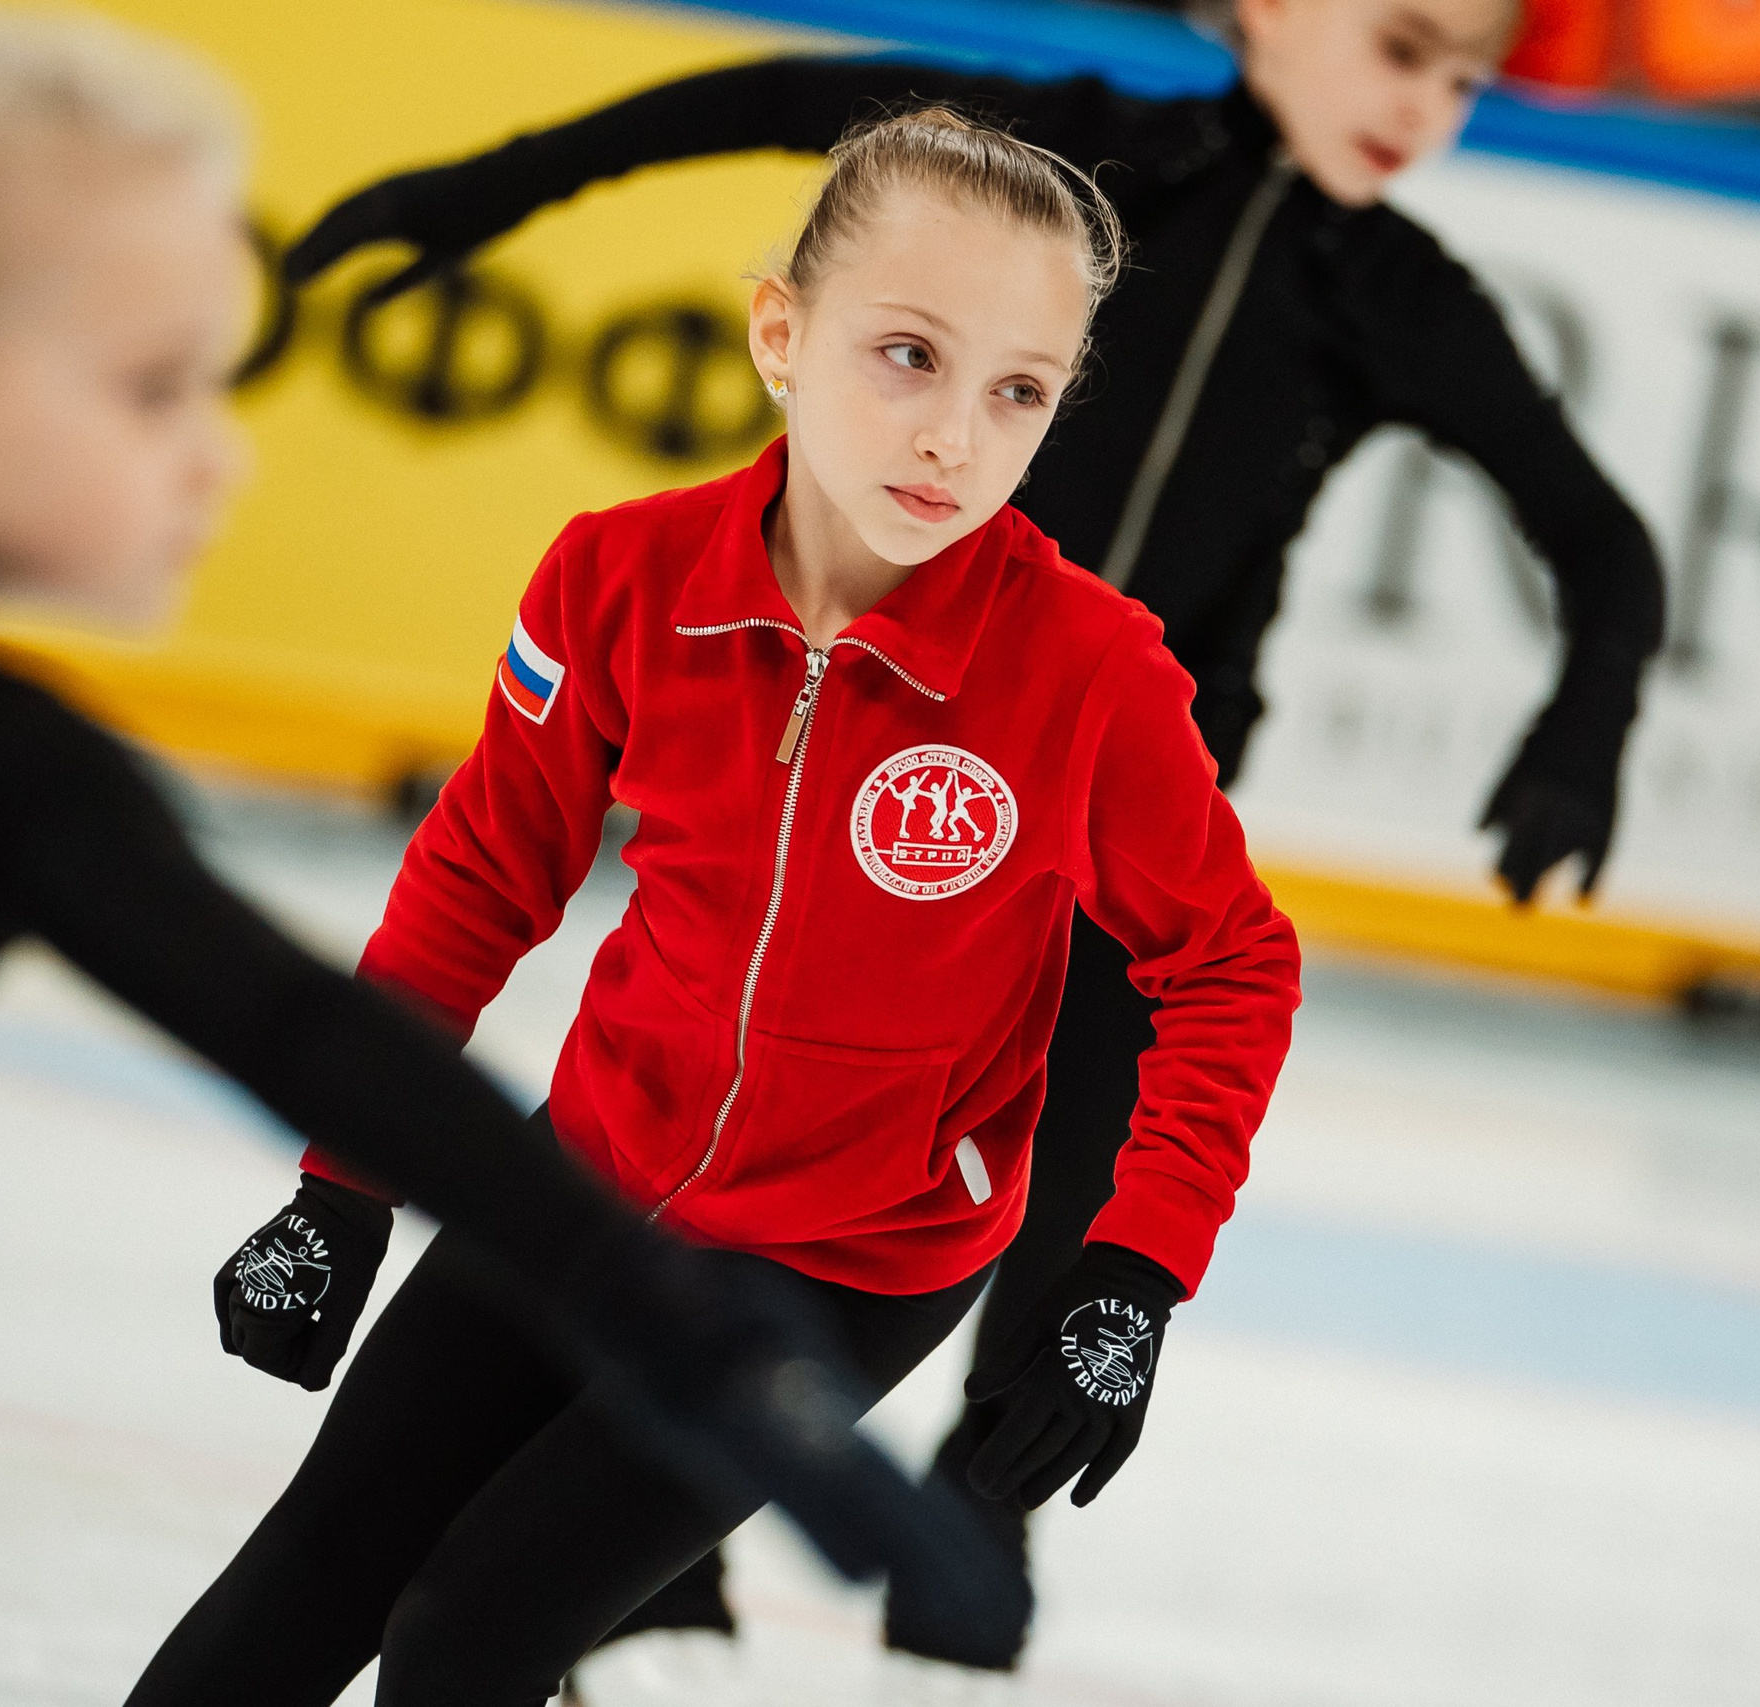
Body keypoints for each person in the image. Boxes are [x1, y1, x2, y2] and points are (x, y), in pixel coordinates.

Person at [281, 0, 1669, 1695]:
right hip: (876, 767)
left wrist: (1586, 717)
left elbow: (1602, 540)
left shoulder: (1399, 301)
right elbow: (769, 97)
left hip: (1107, 823)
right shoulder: (1074, 170)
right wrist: (488, 188)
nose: (1428, 106)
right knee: (726, 1169)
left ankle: (930, 1535)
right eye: (1400, 48)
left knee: (1017, 1341)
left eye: (1468, 78)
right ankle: (646, 1559)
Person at [0, 14, 1007, 1706]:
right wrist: (711, 1355)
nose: (218, 454)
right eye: (155, 388)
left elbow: (335, 1047)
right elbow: (319, 1041)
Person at [132, 106, 1300, 1707]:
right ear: (780, 333)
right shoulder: (623, 579)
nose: (955, 436)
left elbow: (1231, 962)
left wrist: (1128, 1278)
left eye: (1018, 392)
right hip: (591, 1183)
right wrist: (344, 1184)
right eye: (908, 356)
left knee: (471, 1630)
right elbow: (484, 874)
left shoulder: (1090, 677)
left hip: (848, 1264)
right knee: (313, 1570)